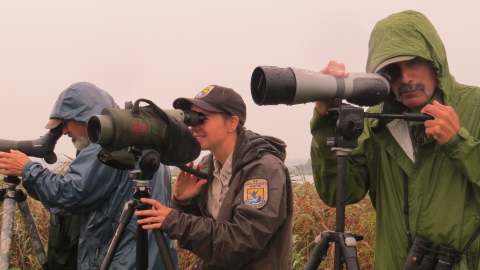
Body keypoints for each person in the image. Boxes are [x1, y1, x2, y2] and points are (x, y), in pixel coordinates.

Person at [311, 10, 480, 269]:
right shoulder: (377, 121)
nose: (406, 78)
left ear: (434, 61)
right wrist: (326, 120)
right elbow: (339, 193)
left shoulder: (475, 107)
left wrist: (459, 142)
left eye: (413, 63)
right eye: (392, 71)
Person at [0, 82, 178, 270]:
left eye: (65, 123)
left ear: (82, 116)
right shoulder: (136, 136)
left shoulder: (108, 143)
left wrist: (27, 169)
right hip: (151, 255)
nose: (65, 131)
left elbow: (70, 194)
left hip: (122, 259)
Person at [135, 85, 293, 269]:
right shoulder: (208, 165)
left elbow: (241, 242)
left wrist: (174, 220)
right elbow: (208, 233)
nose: (194, 126)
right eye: (191, 118)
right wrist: (183, 202)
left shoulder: (263, 170)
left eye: (202, 118)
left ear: (232, 123)